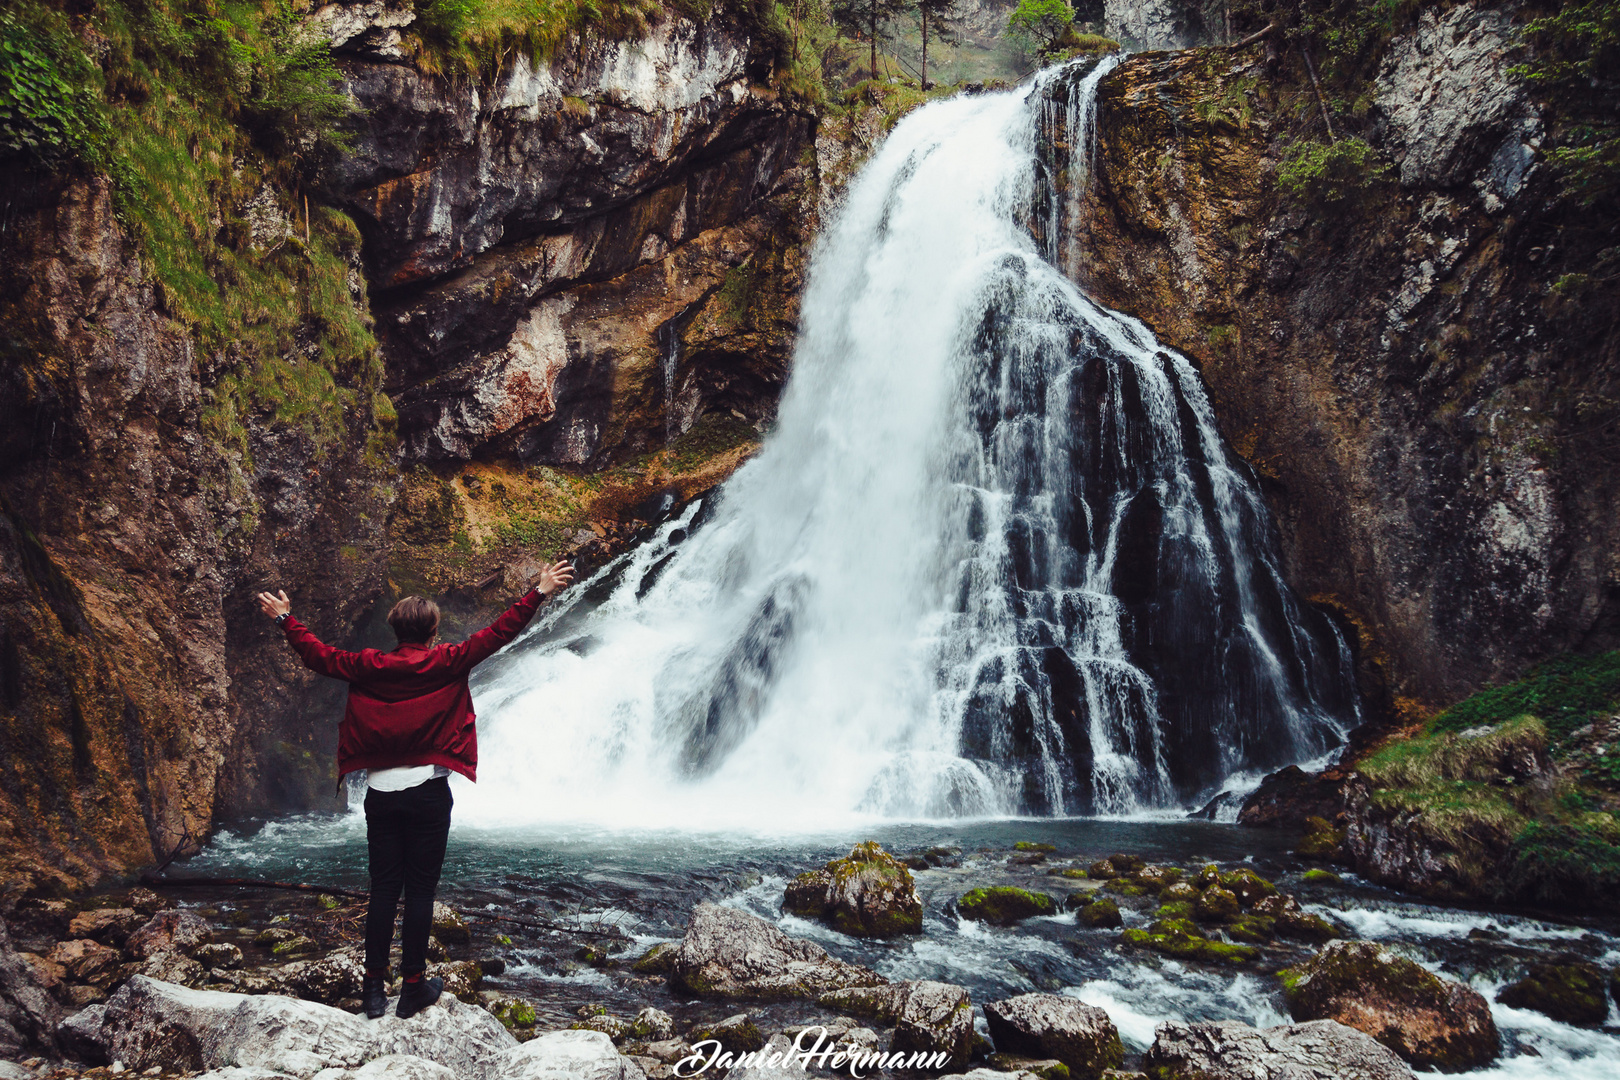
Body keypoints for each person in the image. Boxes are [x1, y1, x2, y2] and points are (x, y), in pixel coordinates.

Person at [256, 560, 574, 1019]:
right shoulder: (447, 661)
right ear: (433, 632)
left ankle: (371, 992)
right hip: (428, 791)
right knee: (421, 891)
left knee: (384, 889)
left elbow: (317, 655)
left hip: (380, 794)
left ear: (394, 629)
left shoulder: (368, 666)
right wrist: (538, 592)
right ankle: (412, 989)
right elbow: (500, 632)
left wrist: (287, 618)